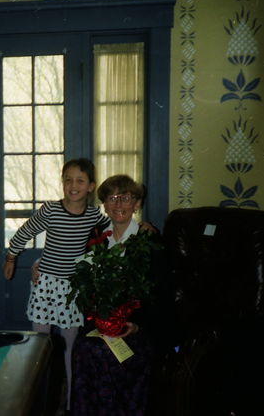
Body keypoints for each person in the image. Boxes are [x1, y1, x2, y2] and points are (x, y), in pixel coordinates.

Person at [3, 158, 108, 413]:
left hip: (73, 289)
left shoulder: (94, 215)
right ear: (62, 183)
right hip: (46, 285)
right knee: (39, 345)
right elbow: (25, 231)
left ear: (91, 186)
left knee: (70, 348)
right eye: (68, 180)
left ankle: (71, 402)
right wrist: (11, 256)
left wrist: (141, 228)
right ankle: (36, 400)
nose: (73, 185)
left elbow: (116, 231)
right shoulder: (51, 210)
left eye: (80, 180)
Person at [70, 174, 160, 416]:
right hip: (99, 322)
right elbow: (84, 276)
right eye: (112, 198)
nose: (119, 204)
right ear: (104, 204)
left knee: (107, 354)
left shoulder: (148, 238)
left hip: (135, 327)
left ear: (137, 204)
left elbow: (157, 290)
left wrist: (137, 324)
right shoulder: (96, 234)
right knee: (84, 348)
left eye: (126, 198)